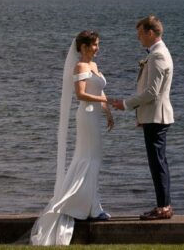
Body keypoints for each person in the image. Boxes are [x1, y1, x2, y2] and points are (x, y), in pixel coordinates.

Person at [30, 30, 114, 246]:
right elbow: (81, 94)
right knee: (88, 159)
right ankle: (89, 208)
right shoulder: (81, 67)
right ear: (84, 47)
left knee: (94, 160)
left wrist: (107, 111)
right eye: (95, 44)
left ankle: (92, 205)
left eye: (98, 44)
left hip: (95, 115)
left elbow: (98, 91)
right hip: (86, 116)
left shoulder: (94, 66)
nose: (98, 48)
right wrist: (106, 101)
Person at [109, 15, 174, 220]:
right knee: (158, 162)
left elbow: (152, 92)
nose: (138, 38)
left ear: (151, 33)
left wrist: (126, 104)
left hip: (157, 117)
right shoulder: (157, 53)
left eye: (140, 34)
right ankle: (163, 206)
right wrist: (140, 114)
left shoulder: (157, 55)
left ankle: (164, 208)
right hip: (153, 116)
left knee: (158, 163)